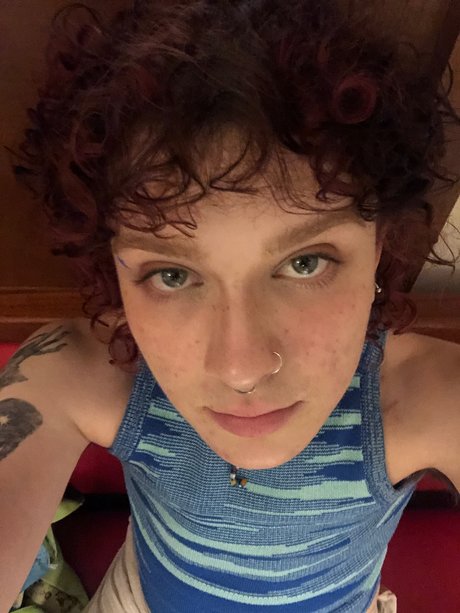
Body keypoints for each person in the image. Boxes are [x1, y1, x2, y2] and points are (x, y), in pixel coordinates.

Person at [2, 1, 460, 611]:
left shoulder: (425, 400)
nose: (240, 369)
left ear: (377, 249)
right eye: (172, 274)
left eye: (305, 263)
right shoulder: (87, 369)